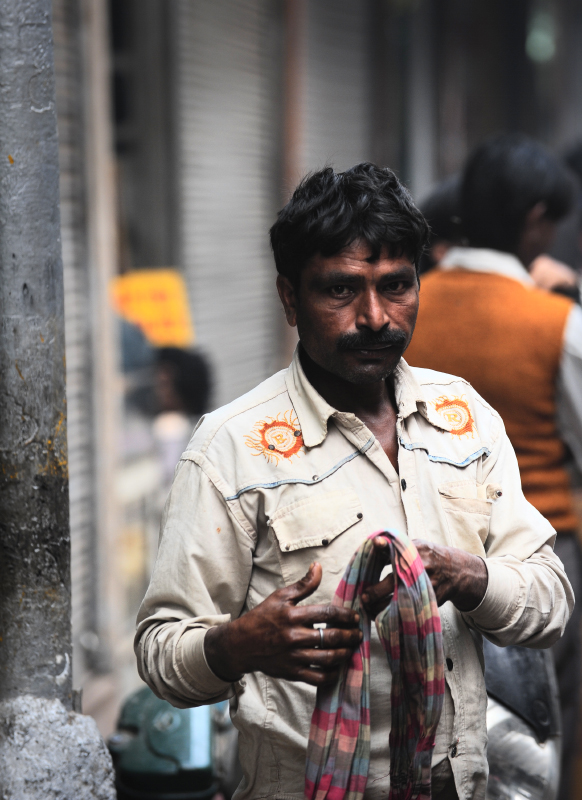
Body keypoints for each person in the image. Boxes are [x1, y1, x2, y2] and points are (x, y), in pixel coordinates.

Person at [135, 163, 573, 800]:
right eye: (341, 291)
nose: (375, 317)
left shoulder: (466, 419)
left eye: (396, 285)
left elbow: (551, 603)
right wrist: (237, 646)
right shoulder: (232, 448)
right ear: (290, 299)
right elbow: (160, 651)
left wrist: (467, 576)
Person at [405, 134, 582, 800]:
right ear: (535, 218)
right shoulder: (554, 323)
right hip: (538, 557)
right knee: (539, 737)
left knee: (430, 731)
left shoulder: (403, 307)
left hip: (420, 555)